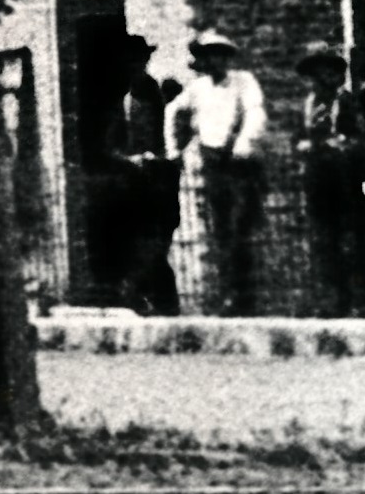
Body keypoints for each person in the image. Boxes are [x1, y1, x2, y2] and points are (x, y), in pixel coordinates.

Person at [166, 29, 267, 316]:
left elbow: (255, 112)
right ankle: (228, 296)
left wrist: (244, 143)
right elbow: (173, 111)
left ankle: (246, 296)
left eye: (221, 54)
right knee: (220, 230)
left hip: (238, 162)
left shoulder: (243, 82)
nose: (216, 61)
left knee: (241, 229)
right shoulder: (197, 89)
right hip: (213, 164)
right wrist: (175, 150)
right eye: (210, 55)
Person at [293, 39, 365, 316]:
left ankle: (360, 300)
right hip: (317, 181)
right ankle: (330, 301)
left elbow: (362, 141)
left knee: (351, 238)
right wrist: (303, 147)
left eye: (330, 71)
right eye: (317, 72)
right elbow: (297, 139)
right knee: (322, 240)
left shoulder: (347, 102)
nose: (323, 77)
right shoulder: (307, 106)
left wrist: (340, 145)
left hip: (345, 180)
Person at [104, 34, 183, 316]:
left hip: (161, 184)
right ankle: (158, 301)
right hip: (135, 188)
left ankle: (146, 293)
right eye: (129, 61)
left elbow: (175, 135)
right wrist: (130, 159)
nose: (134, 66)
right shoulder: (121, 102)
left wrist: (161, 157)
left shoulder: (161, 95)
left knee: (159, 242)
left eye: (139, 60)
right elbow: (110, 147)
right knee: (142, 243)